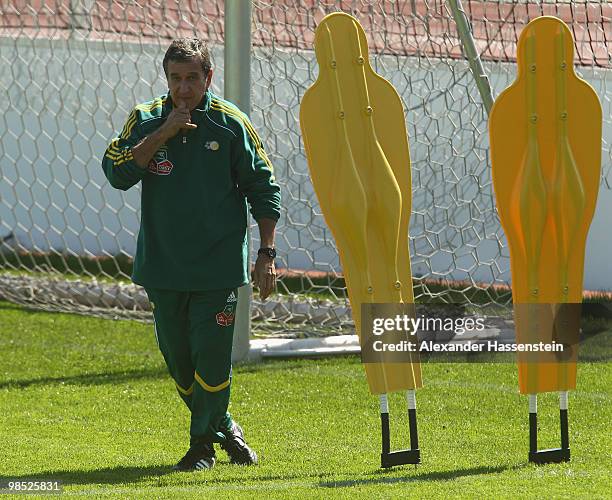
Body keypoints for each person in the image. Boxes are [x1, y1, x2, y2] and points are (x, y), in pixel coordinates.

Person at [101, 38, 281, 472]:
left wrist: (266, 254)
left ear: (209, 79)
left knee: (212, 356)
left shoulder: (229, 123)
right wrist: (164, 133)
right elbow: (116, 172)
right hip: (163, 265)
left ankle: (201, 446)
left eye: (192, 79)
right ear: (166, 80)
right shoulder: (146, 120)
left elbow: (264, 189)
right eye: (176, 79)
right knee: (180, 362)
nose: (184, 89)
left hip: (218, 266)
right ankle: (225, 427)